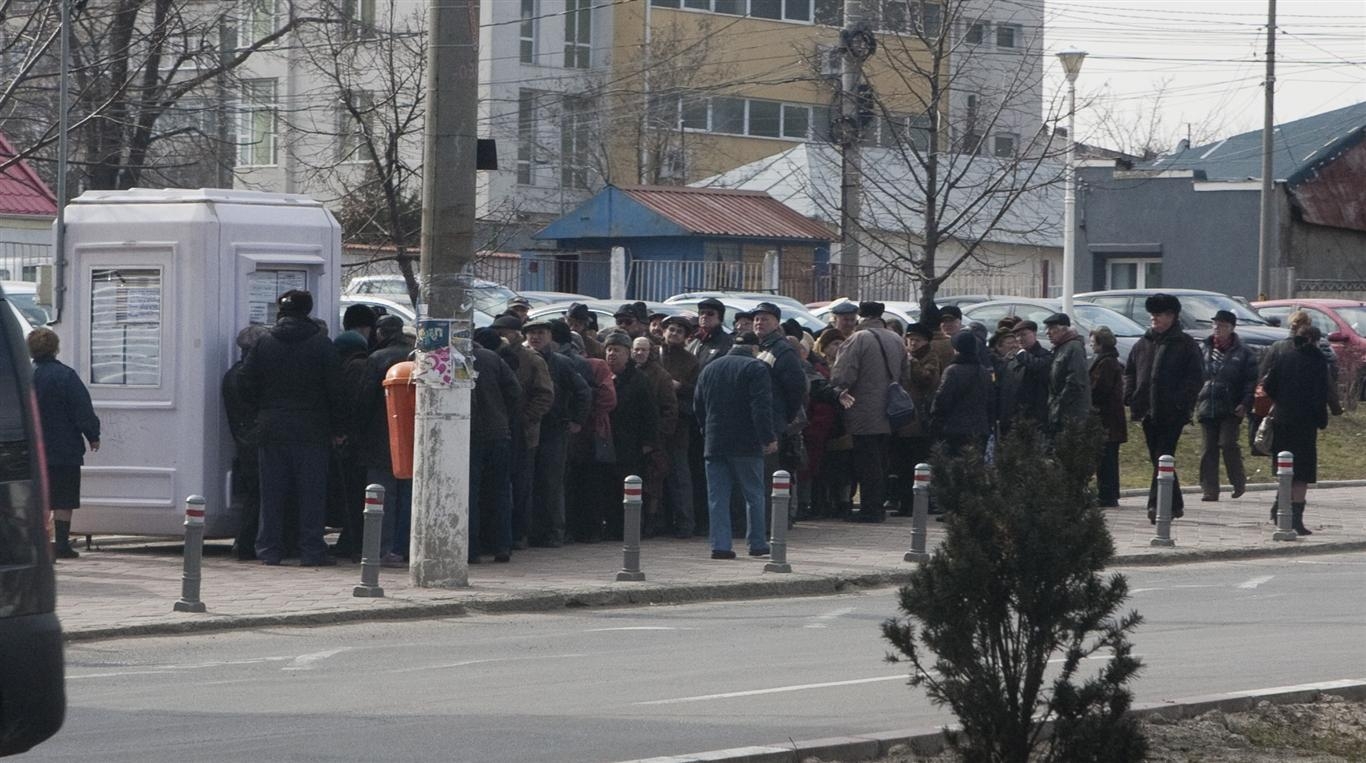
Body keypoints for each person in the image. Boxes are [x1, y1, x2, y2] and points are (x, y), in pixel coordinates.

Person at [240, 290, 344, 566]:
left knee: (271, 493)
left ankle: (269, 549)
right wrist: (339, 427)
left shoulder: (264, 344)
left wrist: (259, 414)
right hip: (312, 429)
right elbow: (337, 390)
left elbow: (244, 382)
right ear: (307, 311)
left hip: (271, 427)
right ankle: (311, 550)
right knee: (312, 493)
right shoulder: (322, 345)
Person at [694, 331, 776, 559]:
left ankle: (720, 546)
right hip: (746, 442)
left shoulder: (709, 368)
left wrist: (706, 430)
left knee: (718, 497)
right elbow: (761, 408)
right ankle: (757, 543)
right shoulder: (756, 368)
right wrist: (767, 438)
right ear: (754, 348)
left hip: (714, 441)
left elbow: (698, 405)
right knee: (754, 494)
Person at [1124, 293, 1203, 524]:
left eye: (1159, 315)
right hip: (1147, 411)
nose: (1154, 319)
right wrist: (1130, 395)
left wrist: (1181, 403)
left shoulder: (1185, 344)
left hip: (1172, 412)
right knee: (1157, 458)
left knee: (1163, 456)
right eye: (1152, 314)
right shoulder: (1143, 343)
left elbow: (1195, 378)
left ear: (1171, 316)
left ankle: (1157, 505)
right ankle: (1175, 502)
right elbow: (1130, 371)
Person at [28, 327, 101, 560]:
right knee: (63, 498)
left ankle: (39, 544)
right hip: (64, 449)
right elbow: (82, 409)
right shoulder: (66, 376)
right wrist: (92, 434)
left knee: (40, 498)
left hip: (31, 450)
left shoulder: (25, 375)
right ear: (55, 348)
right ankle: (61, 544)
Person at [829, 301, 904, 523]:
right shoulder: (896, 338)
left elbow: (843, 376)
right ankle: (877, 504)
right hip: (890, 409)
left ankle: (870, 509)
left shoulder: (858, 339)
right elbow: (905, 374)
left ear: (861, 316)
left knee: (866, 461)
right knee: (881, 460)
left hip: (863, 409)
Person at [1263, 323, 1336, 535]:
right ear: (1314, 340)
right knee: (1302, 473)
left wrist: (1282, 401)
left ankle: (1280, 509)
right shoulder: (1318, 362)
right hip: (1305, 423)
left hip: (1282, 420)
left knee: (1285, 469)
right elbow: (1321, 394)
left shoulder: (1284, 358)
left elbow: (1268, 385)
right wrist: (1321, 420)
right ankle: (1295, 519)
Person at [356, 315, 416, 566]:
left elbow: (364, 401)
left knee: (382, 495)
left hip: (382, 437)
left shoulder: (377, 359)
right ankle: (404, 547)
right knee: (408, 494)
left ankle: (383, 549)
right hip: (414, 434)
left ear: (380, 333)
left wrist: (356, 432)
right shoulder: (416, 357)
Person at [525, 318, 591, 547]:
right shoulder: (523, 360)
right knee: (529, 482)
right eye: (532, 333)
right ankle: (530, 531)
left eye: (541, 332)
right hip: (529, 430)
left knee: (552, 483)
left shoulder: (562, 363)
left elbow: (583, 391)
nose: (536, 337)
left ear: (550, 336)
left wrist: (576, 421)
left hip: (554, 430)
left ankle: (554, 532)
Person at [753, 301, 808, 522]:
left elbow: (796, 388)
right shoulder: (762, 347)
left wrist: (784, 417)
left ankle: (771, 523)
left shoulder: (782, 350)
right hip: (762, 420)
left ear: (776, 323)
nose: (759, 322)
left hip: (774, 421)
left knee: (771, 476)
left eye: (764, 319)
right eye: (756, 319)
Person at [1196, 310, 1258, 502]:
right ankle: (1209, 489)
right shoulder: (1204, 348)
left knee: (1228, 443)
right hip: (1208, 403)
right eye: (1215, 324)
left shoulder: (1243, 352)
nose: (1217, 328)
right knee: (1208, 449)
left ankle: (1238, 480)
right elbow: (1196, 375)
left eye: (1221, 325)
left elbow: (1250, 381)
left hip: (1231, 405)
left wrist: (1245, 403)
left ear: (1231, 328)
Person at [601, 330, 658, 540]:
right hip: (608, 442)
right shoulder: (603, 377)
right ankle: (612, 526)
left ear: (627, 354)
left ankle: (632, 528)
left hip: (631, 444)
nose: (611, 354)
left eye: (617, 350)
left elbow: (651, 413)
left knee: (631, 487)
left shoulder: (639, 380)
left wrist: (648, 442)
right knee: (609, 487)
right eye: (608, 350)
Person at [468, 341, 521, 563]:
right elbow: (514, 391)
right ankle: (502, 546)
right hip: (498, 433)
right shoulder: (491, 357)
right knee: (499, 491)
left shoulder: (443, 358)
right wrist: (503, 416)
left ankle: (470, 549)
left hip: (467, 435)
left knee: (469, 493)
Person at [685, 297, 733, 534]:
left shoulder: (726, 344)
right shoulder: (694, 342)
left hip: (715, 417)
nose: (705, 317)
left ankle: (711, 523)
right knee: (694, 471)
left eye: (710, 314)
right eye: (702, 313)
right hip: (693, 415)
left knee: (714, 476)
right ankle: (698, 518)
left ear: (720, 318)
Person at [223, 325, 269, 560]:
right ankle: (248, 543)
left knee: (253, 494)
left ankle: (245, 541)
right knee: (258, 495)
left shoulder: (232, 375)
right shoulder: (251, 377)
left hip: (243, 438)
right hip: (256, 440)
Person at [890, 322, 941, 514]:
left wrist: (911, 362)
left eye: (917, 340)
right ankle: (904, 503)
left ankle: (918, 504)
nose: (912, 344)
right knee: (902, 464)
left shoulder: (931, 357)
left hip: (919, 420)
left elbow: (927, 379)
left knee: (916, 463)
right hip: (903, 418)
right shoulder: (905, 357)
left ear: (926, 341)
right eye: (910, 340)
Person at [331, 329, 372, 559]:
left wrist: (343, 432)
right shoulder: (367, 365)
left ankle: (352, 542)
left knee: (353, 495)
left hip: (354, 443)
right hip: (364, 441)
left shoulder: (351, 369)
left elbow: (348, 404)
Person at [632, 335, 678, 536]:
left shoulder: (661, 376)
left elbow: (670, 410)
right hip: (631, 438)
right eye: (636, 349)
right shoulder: (628, 372)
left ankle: (651, 523)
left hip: (654, 440)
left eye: (643, 349)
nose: (639, 353)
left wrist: (657, 438)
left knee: (653, 486)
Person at [660, 315, 700, 538]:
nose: (673, 334)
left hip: (679, 426)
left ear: (686, 337)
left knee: (679, 476)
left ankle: (685, 523)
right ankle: (659, 521)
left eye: (678, 331)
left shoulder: (690, 361)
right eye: (671, 330)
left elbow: (697, 391)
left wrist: (680, 386)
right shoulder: (654, 354)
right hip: (656, 423)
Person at [930, 330, 992, 459]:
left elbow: (942, 400)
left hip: (954, 429)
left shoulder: (952, 371)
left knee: (954, 469)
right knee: (974, 469)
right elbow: (991, 401)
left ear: (957, 349)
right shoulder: (984, 372)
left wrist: (934, 421)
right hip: (980, 429)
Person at [1089, 326, 1127, 508]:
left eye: (1093, 341)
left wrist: (1088, 393)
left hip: (1107, 419)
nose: (1091, 345)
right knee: (1106, 458)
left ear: (1100, 343)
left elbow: (1100, 389)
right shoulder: (1108, 361)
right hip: (1109, 418)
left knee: (1107, 459)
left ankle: (1108, 494)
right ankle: (1108, 493)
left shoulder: (1107, 363)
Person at [1043, 313, 1091, 435]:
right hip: (1061, 411)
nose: (1047, 333)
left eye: (1051, 329)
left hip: (1070, 414)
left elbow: (1075, 382)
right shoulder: (1060, 347)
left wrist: (1057, 406)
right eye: (1046, 329)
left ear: (1063, 330)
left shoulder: (1074, 348)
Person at [1009, 319, 1052, 427]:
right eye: (1017, 336)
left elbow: (1037, 366)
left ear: (1034, 334)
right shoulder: (1014, 357)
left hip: (1035, 411)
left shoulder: (1044, 355)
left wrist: (1021, 354)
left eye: (1023, 335)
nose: (1019, 339)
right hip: (1016, 412)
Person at [988, 326, 1020, 439]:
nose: (1015, 346)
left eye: (1016, 342)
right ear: (998, 346)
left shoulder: (1017, 360)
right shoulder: (992, 362)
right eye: (1009, 343)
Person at [929, 305, 961, 370]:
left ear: (960, 321)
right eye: (944, 321)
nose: (948, 324)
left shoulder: (967, 341)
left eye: (951, 320)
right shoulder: (934, 343)